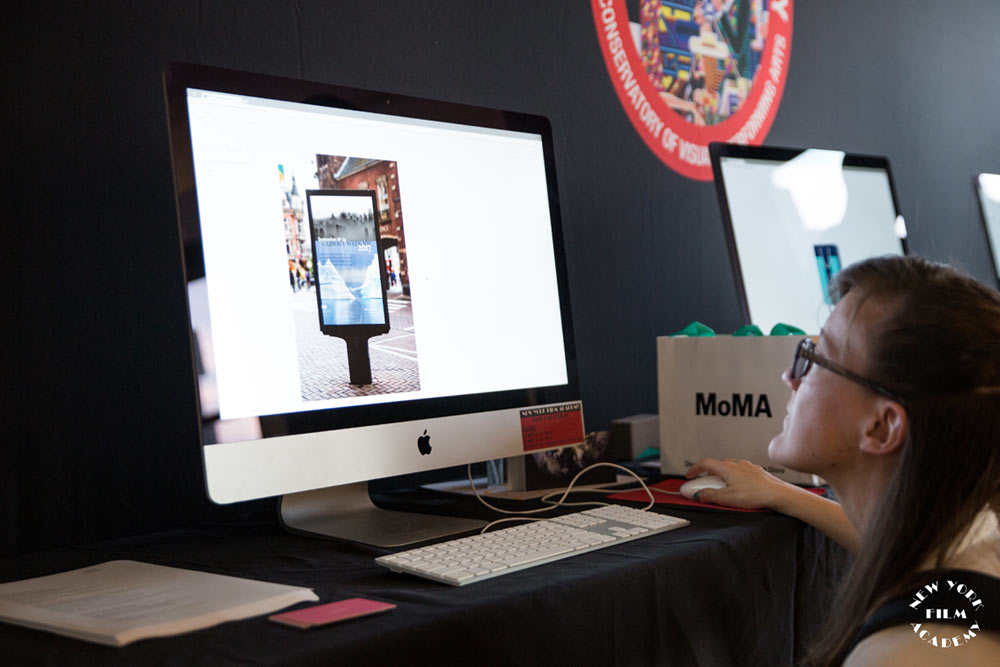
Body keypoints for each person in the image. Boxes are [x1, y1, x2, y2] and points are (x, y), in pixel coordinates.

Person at [686, 255, 1000, 666]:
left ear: (881, 428)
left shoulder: (908, 653)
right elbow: (895, 535)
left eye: (816, 358)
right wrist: (783, 493)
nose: (790, 377)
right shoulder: (974, 529)